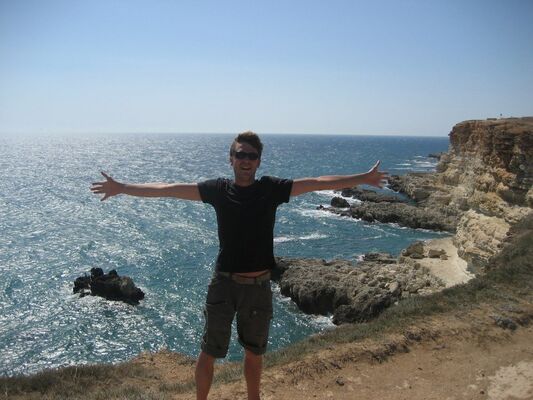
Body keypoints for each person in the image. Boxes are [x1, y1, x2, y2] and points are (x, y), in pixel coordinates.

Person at [91, 131, 388, 400]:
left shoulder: (270, 189)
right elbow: (168, 188)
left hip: (258, 287)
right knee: (209, 351)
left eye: (252, 155)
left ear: (259, 161)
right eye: (240, 154)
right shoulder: (218, 190)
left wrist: (363, 177)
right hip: (224, 283)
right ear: (231, 158)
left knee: (254, 354)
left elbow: (318, 182)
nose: (246, 160)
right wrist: (122, 187)